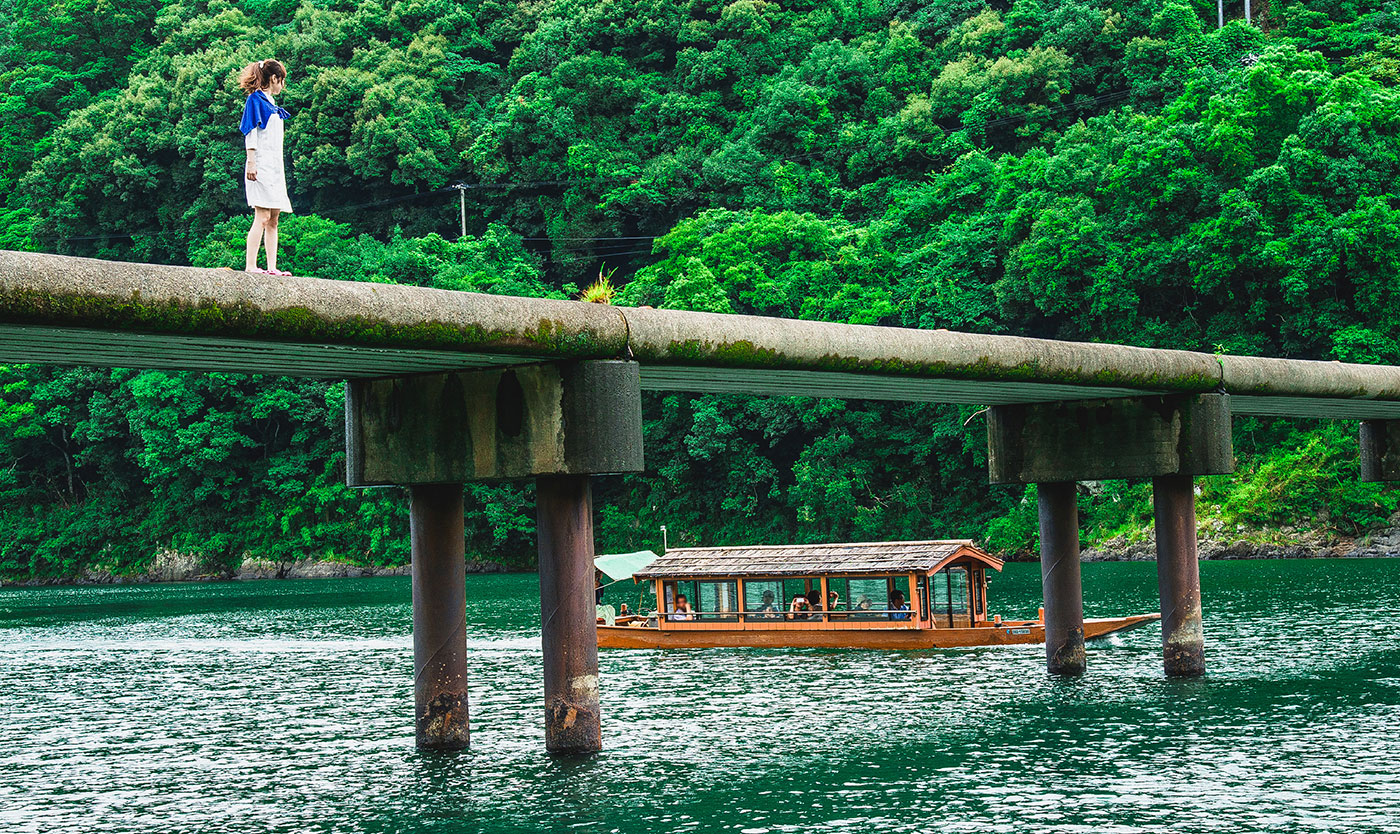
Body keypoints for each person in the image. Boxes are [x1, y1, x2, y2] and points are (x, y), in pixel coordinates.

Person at [238, 59, 293, 275]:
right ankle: (251, 265)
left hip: (275, 169)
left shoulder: (271, 103)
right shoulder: (256, 100)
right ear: (274, 78)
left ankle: (272, 267)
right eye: (282, 81)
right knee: (261, 217)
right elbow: (250, 132)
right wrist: (251, 162)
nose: (282, 85)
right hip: (260, 167)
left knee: (274, 219)